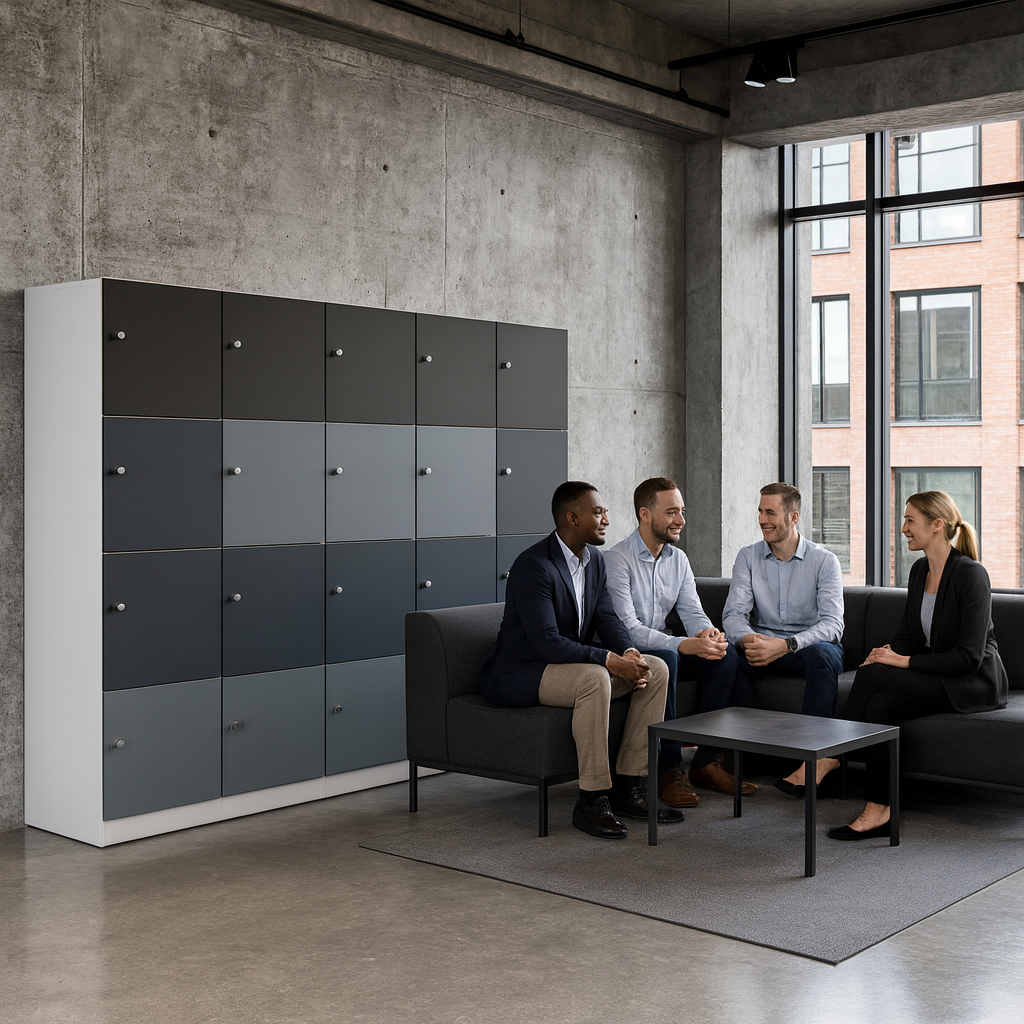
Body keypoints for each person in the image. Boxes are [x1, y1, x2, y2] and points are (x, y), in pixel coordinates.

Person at [480, 481, 682, 839]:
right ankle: (591, 800)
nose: (606, 518)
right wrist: (608, 660)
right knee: (595, 678)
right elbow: (546, 643)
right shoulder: (533, 566)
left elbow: (607, 618)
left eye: (604, 511)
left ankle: (628, 787)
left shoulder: (595, 562)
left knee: (657, 668)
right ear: (572, 518)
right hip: (524, 672)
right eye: (598, 512)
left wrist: (630, 654)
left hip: (567, 666)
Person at [829, 491, 1008, 840]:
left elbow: (968, 657)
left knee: (874, 675)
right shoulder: (919, 570)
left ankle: (832, 755)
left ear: (937, 525)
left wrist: (900, 661)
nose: (903, 528)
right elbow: (908, 636)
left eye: (910, 520)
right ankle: (879, 810)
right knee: (880, 699)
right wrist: (886, 652)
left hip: (972, 683)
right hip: (938, 676)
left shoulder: (971, 575)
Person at [604, 477, 751, 808]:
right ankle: (668, 770)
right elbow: (628, 629)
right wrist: (684, 645)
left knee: (725, 658)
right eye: (671, 512)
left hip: (664, 645)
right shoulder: (617, 560)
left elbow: (693, 613)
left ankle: (705, 763)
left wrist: (707, 635)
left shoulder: (678, 560)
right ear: (645, 514)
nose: (681, 521)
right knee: (666, 662)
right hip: (630, 651)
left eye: (681, 511)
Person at [722, 482, 845, 796]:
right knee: (726, 656)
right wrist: (750, 640)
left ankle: (816, 757)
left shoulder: (824, 561)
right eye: (761, 511)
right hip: (763, 646)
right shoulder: (747, 557)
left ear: (793, 517)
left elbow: (832, 624)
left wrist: (787, 645)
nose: (763, 519)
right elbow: (733, 615)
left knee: (824, 654)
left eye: (770, 512)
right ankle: (753, 752)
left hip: (804, 648)